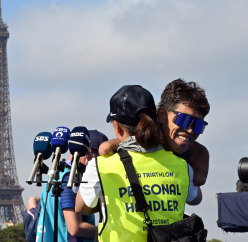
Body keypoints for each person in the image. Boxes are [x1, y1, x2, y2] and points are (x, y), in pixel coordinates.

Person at [75, 85, 202, 242]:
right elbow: (196, 199)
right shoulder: (182, 166)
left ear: (117, 127)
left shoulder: (101, 166)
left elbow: (81, 208)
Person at [99, 79, 210, 187]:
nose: (190, 130)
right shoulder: (145, 134)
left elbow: (199, 180)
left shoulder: (198, 152)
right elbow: (105, 149)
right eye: (184, 120)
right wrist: (115, 143)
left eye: (198, 125)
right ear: (161, 115)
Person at [36, 130, 108, 242]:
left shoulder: (56, 174)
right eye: (100, 159)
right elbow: (75, 228)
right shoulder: (71, 178)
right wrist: (106, 230)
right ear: (88, 153)